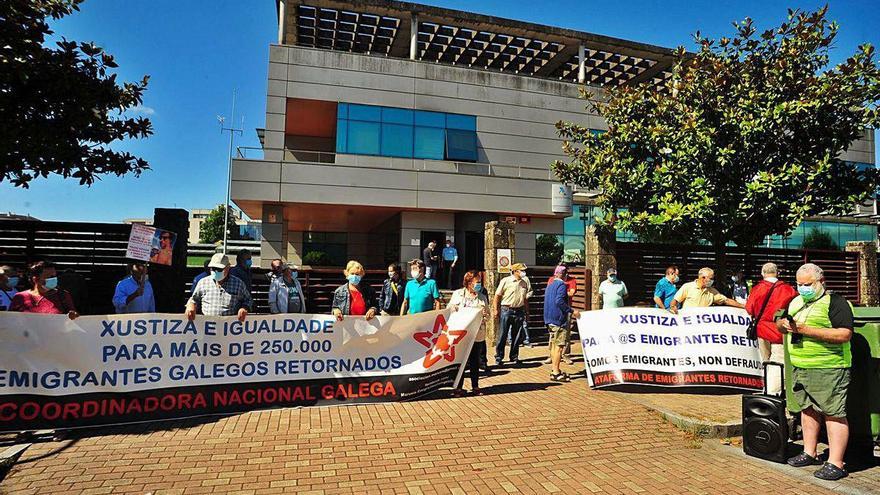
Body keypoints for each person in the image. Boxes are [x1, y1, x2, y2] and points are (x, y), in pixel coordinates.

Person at [779, 263, 854, 481]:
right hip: (801, 366)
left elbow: (844, 334)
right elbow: (780, 323)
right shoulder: (796, 301)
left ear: (821, 282)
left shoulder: (837, 303)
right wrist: (782, 325)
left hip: (829, 368)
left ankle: (836, 462)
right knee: (807, 409)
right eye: (799, 284)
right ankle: (809, 452)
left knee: (833, 413)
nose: (803, 288)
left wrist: (806, 330)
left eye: (807, 284)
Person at [745, 262, 796, 395]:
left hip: (762, 330)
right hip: (780, 330)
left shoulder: (757, 289)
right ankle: (773, 392)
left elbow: (749, 309)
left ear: (762, 273)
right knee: (779, 361)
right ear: (777, 273)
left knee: (767, 361)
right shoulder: (788, 289)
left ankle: (768, 388)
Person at [448, 270, 489, 396]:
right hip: (460, 335)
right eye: (477, 282)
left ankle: (475, 386)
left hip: (476, 335)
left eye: (480, 282)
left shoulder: (482, 297)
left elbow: (487, 316)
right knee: (460, 362)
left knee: (474, 361)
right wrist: (452, 309)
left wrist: (484, 315)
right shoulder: (458, 294)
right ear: (469, 282)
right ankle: (458, 388)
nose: (479, 284)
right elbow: (449, 311)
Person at [185, 253, 251, 321]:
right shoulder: (203, 283)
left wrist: (244, 308)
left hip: (229, 326)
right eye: (213, 268)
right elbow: (194, 299)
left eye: (219, 269)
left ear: (228, 268)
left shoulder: (238, 284)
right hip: (207, 326)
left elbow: (248, 300)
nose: (216, 271)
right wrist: (191, 305)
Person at [545, 267, 581, 382]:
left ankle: (554, 370)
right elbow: (559, 301)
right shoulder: (561, 286)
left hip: (549, 319)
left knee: (554, 345)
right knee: (559, 347)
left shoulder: (550, 285)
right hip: (558, 320)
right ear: (565, 275)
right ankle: (555, 372)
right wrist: (571, 311)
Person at [9, 261, 78, 319]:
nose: (54, 279)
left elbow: (73, 317)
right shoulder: (19, 297)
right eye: (49, 276)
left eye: (54, 276)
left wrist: (73, 316)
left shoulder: (63, 295)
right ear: (35, 279)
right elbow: (10, 320)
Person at [493, 263, 529, 366]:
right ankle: (499, 357)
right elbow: (497, 296)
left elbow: (525, 299)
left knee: (517, 335)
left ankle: (514, 356)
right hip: (506, 309)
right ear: (516, 271)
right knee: (502, 335)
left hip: (519, 310)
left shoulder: (524, 283)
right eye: (521, 270)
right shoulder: (505, 281)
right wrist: (496, 309)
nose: (523, 272)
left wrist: (527, 312)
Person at [669, 267, 745, 313]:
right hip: (688, 324)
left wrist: (743, 306)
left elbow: (726, 300)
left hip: (703, 326)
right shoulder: (687, 287)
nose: (712, 281)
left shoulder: (712, 291)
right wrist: (673, 306)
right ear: (703, 278)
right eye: (711, 279)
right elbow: (675, 300)